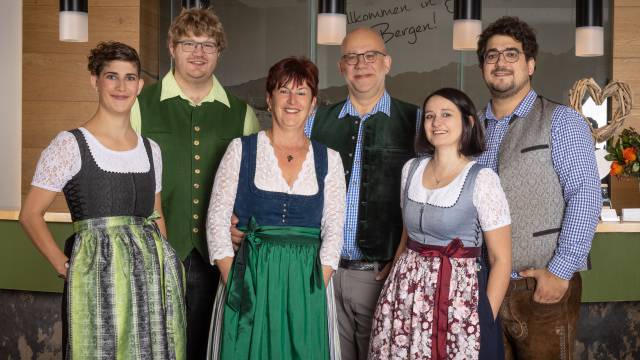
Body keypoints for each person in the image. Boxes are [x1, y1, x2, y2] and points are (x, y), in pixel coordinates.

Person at [19, 41, 186, 359]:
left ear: (139, 84)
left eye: (130, 77)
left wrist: (168, 272)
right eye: (112, 76)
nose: (122, 86)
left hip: (151, 280)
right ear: (94, 80)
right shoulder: (70, 144)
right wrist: (65, 267)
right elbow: (30, 214)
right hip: (97, 276)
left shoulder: (151, 149)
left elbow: (156, 215)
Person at [130, 7, 260, 359]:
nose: (199, 53)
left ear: (219, 52)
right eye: (189, 43)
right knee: (153, 345)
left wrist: (242, 226)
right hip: (152, 252)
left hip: (214, 256)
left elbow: (251, 187)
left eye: (208, 45)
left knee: (208, 347)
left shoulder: (241, 113)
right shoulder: (140, 106)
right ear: (172, 47)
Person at [475, 16, 601, 359]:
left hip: (541, 287)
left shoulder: (562, 120)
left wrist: (561, 271)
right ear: (483, 67)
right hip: (483, 288)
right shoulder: (471, 129)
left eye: (512, 54)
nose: (500, 62)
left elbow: (585, 196)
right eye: (491, 55)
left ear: (530, 64)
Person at [206, 57, 346, 359]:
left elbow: (335, 231)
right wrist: (235, 282)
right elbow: (216, 222)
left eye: (302, 93)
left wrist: (313, 287)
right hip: (250, 278)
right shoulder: (240, 149)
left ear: (313, 104)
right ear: (269, 100)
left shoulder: (330, 159)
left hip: (306, 281)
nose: (292, 101)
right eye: (283, 91)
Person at [368, 88, 512, 359]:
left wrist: (484, 316)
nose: (436, 122)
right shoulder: (411, 169)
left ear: (468, 122)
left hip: (458, 297)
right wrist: (393, 287)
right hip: (406, 295)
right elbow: (406, 235)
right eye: (430, 116)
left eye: (446, 114)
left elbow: (501, 258)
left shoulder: (482, 179)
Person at [304, 27, 419, 360]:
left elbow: (425, 198)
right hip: (324, 273)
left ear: (387, 63)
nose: (361, 64)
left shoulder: (415, 121)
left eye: (371, 56)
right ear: (341, 67)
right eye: (352, 57)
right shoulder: (316, 121)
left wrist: (400, 257)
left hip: (380, 274)